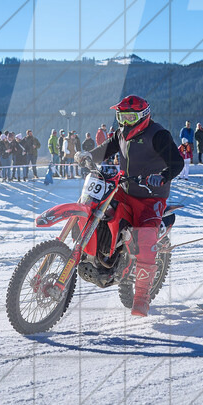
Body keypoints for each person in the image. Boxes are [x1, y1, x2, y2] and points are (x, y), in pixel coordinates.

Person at [80, 95, 184, 317]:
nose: (125, 122)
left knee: (145, 240)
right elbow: (106, 148)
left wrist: (163, 176)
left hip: (151, 197)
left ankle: (142, 297)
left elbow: (177, 162)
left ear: (143, 116)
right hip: (124, 190)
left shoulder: (158, 134)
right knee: (99, 214)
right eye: (121, 116)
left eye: (129, 117)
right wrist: (89, 155)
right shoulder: (121, 133)